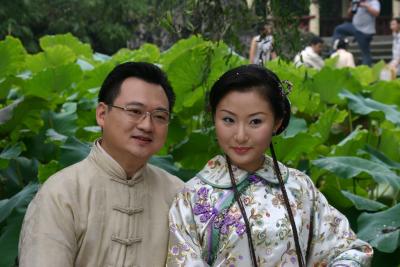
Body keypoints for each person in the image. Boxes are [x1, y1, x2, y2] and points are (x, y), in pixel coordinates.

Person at [166, 64, 373, 266]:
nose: (240, 136)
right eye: (228, 120)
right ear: (214, 119)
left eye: (255, 122)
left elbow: (348, 249)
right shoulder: (192, 196)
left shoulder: (300, 187)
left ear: (277, 122)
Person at [18, 62, 184, 266]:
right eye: (134, 111)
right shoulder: (61, 193)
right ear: (102, 114)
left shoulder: (178, 196)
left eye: (159, 116)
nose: (147, 125)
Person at [332, 0, 380, 66]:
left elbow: (376, 13)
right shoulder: (356, 1)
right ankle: (336, 48)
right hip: (354, 27)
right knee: (339, 29)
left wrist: (366, 6)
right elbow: (349, 15)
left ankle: (366, 70)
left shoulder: (373, 2)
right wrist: (352, 7)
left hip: (365, 31)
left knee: (365, 53)